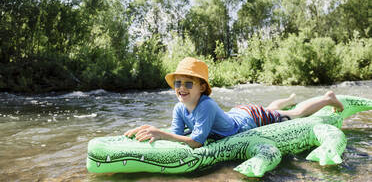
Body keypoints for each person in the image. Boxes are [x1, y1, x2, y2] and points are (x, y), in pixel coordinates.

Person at [124, 57, 344, 148]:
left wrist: (161, 134)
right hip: (238, 113)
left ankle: (327, 98)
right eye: (177, 83)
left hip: (249, 119)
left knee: (294, 115)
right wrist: (155, 134)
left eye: (188, 84)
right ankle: (285, 100)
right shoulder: (178, 108)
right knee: (272, 109)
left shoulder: (206, 105)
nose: (181, 88)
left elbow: (196, 142)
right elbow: (176, 134)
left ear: (202, 87)